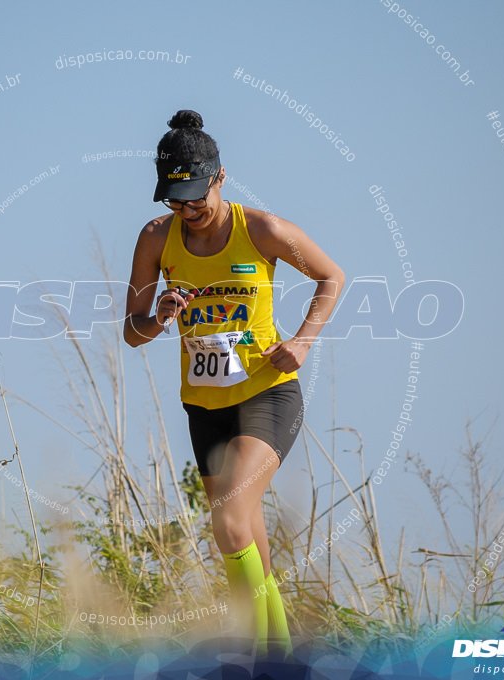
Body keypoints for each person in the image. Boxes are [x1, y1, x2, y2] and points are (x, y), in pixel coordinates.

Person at [123, 110, 344, 656]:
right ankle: (280, 652)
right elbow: (132, 332)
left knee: (227, 521)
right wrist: (160, 316)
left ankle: (254, 653)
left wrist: (304, 340)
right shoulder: (156, 239)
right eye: (176, 200)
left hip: (267, 395)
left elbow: (331, 277)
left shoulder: (263, 230)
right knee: (242, 533)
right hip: (205, 409)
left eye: (197, 196)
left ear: (221, 178)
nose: (187, 209)